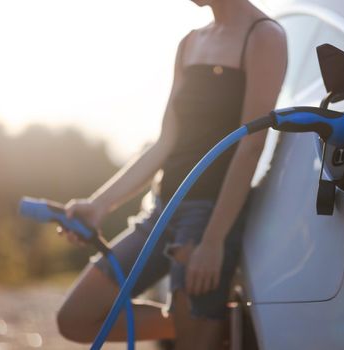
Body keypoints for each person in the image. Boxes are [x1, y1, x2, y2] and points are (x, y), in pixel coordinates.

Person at [55, 0, 287, 348]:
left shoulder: (264, 36)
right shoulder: (190, 42)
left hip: (208, 215)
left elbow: (250, 147)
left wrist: (213, 241)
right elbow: (165, 142)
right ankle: (217, 326)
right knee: (75, 317)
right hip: (162, 211)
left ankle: (207, 327)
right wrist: (101, 204)